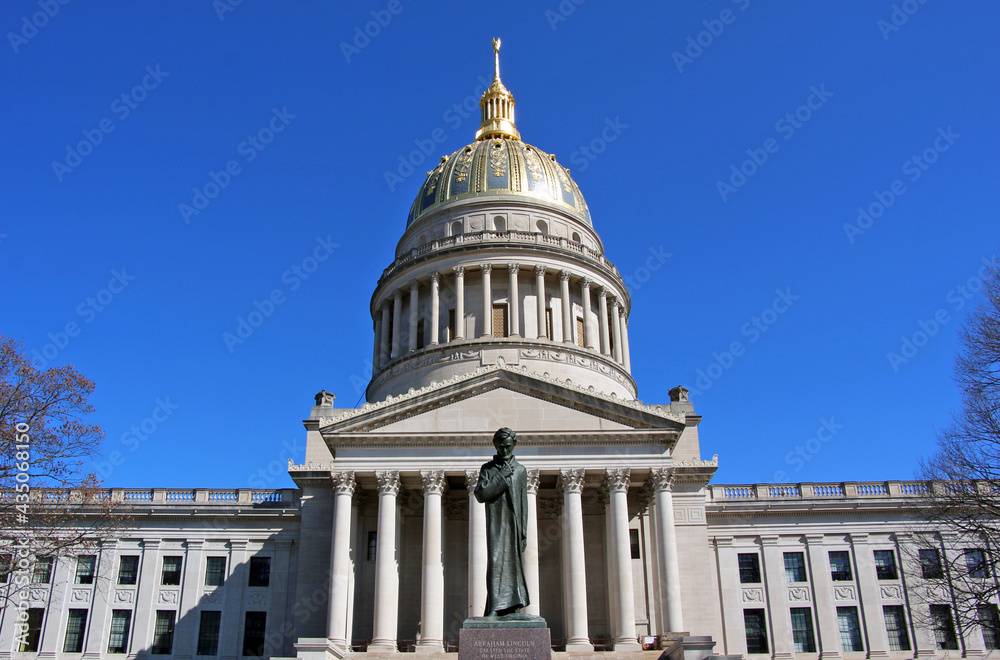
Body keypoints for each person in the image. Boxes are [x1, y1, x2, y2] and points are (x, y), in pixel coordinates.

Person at [473, 427, 529, 617]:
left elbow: (523, 502)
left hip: (513, 524)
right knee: (496, 562)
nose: (505, 451)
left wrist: (523, 532)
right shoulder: (488, 469)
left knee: (514, 565)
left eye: (508, 447)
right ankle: (495, 606)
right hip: (496, 523)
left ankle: (514, 606)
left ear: (514, 445)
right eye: (501, 447)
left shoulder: (520, 470)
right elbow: (481, 494)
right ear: (495, 446)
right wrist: (501, 475)